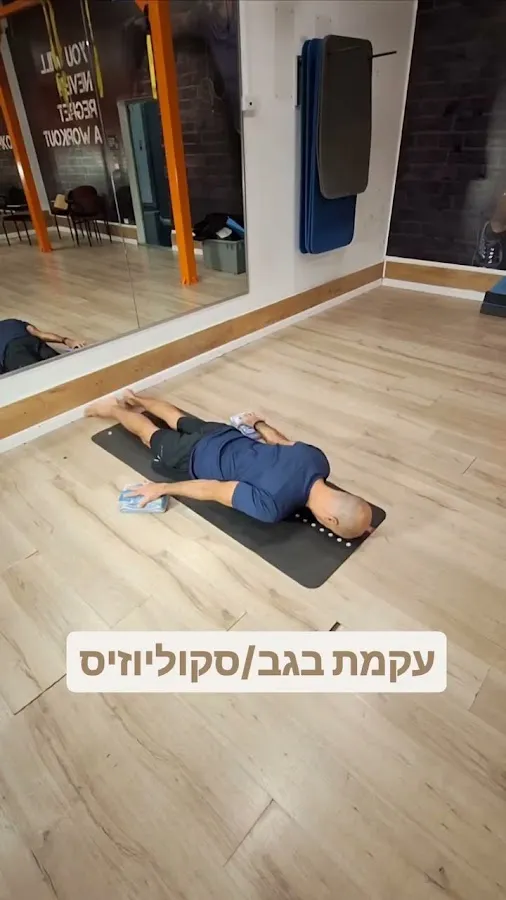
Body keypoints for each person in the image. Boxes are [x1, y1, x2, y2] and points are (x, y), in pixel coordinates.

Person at [86, 390, 373, 539]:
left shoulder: (317, 459)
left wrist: (258, 424)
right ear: (331, 521)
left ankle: (133, 397)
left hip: (222, 433)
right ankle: (112, 408)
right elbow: (214, 489)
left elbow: (280, 442)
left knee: (176, 416)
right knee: (148, 433)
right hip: (193, 455)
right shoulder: (272, 506)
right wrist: (162, 488)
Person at [0, 319, 85, 374]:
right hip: (35, 343)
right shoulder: (12, 322)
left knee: (34, 377)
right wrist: (67, 341)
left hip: (14, 352)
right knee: (63, 368)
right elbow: (42, 335)